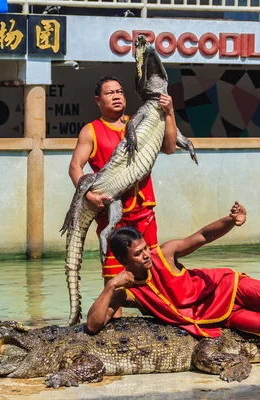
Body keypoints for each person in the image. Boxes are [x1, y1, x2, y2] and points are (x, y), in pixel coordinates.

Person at [86, 201, 260, 366]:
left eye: (145, 248)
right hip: (221, 317)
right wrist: (110, 287)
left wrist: (231, 221)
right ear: (124, 260)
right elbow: (93, 325)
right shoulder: (128, 291)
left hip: (226, 286)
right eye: (138, 254)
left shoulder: (165, 252)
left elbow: (202, 237)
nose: (147, 255)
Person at [68, 76, 179, 311]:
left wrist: (169, 113)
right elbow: (75, 167)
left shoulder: (141, 122)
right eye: (110, 93)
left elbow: (169, 148)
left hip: (143, 210)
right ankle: (112, 326)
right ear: (98, 100)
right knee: (115, 281)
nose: (117, 96)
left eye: (120, 91)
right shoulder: (91, 131)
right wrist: (89, 196)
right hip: (112, 213)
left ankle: (156, 321)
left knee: (152, 275)